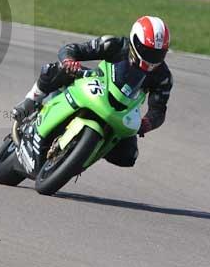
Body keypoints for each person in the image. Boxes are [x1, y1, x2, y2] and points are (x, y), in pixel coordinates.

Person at [12, 16, 173, 169]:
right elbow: (73, 49)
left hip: (125, 107)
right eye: (147, 50)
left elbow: (158, 110)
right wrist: (69, 60)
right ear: (135, 41)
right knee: (56, 69)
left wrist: (147, 123)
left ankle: (83, 155)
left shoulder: (163, 77)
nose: (152, 58)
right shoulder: (114, 44)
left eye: (158, 54)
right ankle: (30, 101)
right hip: (98, 83)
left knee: (128, 156)